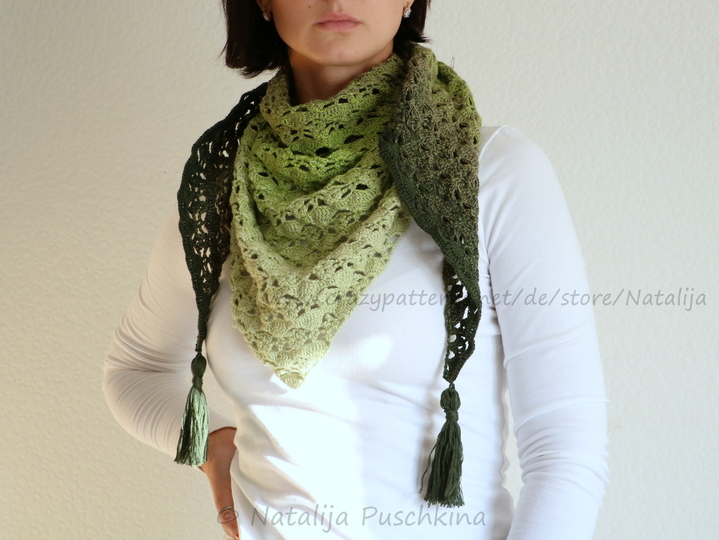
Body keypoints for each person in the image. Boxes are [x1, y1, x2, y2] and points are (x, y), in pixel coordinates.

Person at [102, 0, 610, 539]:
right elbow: (136, 371)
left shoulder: (491, 170)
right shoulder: (224, 185)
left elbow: (565, 449)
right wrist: (215, 446)